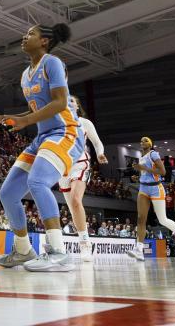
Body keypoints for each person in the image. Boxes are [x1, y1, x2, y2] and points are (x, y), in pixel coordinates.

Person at [0, 23, 83, 272]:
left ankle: (59, 251)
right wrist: (6, 118)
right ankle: (24, 250)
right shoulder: (26, 74)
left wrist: (25, 121)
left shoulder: (52, 63)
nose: (24, 37)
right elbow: (36, 109)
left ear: (44, 41)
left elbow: (60, 103)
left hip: (65, 132)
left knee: (37, 182)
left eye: (30, 34)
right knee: (8, 193)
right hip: (43, 137)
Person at [58, 93, 107, 263]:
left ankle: (85, 243)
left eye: (72, 100)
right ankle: (80, 238)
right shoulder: (58, 123)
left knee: (76, 201)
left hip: (80, 163)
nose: (69, 102)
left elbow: (97, 142)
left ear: (78, 106)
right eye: (66, 100)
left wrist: (100, 154)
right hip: (63, 166)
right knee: (72, 208)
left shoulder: (85, 123)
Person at [127, 136, 175, 261]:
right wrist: (139, 176)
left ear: (150, 144)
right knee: (141, 218)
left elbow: (162, 172)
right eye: (141, 141)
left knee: (162, 220)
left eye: (145, 140)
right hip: (143, 188)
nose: (142, 142)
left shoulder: (153, 154)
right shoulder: (141, 157)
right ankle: (139, 249)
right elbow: (146, 173)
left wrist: (144, 168)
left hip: (156, 189)